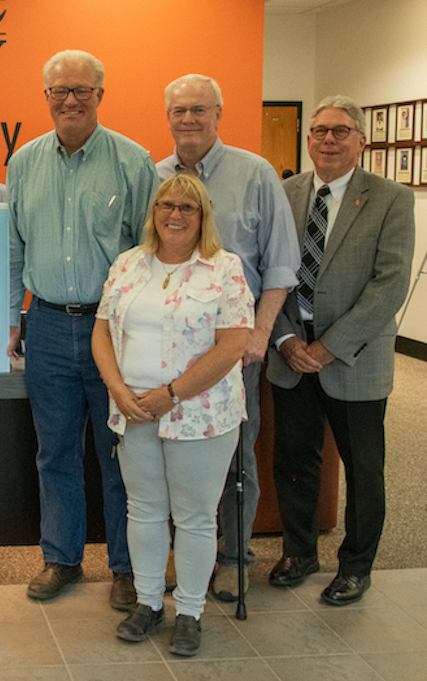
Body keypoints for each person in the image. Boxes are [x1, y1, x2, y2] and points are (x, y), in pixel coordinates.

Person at [7, 49, 159, 610]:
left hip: (114, 329)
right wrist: (12, 320)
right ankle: (62, 558)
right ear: (46, 96)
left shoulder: (133, 161)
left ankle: (126, 567)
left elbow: (151, 253)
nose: (70, 100)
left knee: (121, 453)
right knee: (55, 453)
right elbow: (13, 249)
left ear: (100, 95)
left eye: (81, 90)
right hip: (46, 325)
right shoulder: (23, 162)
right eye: (60, 91)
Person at [92, 173, 253, 657]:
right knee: (142, 510)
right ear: (154, 212)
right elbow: (102, 333)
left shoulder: (224, 269)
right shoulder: (128, 264)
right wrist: (118, 390)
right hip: (134, 409)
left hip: (200, 414)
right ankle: (147, 603)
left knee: (195, 517)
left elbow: (233, 346)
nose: (175, 215)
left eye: (187, 207)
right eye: (166, 205)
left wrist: (172, 394)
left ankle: (189, 612)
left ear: (203, 216)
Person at [267, 96, 415, 606]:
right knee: (294, 460)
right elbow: (268, 271)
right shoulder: (285, 193)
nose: (328, 140)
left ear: (361, 141)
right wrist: (284, 338)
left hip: (354, 357)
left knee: (363, 469)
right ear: (308, 139)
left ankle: (356, 566)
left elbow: (389, 285)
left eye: (341, 131)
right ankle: (300, 552)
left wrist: (330, 346)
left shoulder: (391, 198)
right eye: (320, 131)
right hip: (291, 354)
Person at [156, 74, 299, 601]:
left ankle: (234, 557)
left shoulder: (255, 173)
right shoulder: (156, 178)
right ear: (168, 117)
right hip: (172, 351)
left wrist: (260, 333)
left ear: (218, 113)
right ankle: (188, 557)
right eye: (179, 111)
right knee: (174, 458)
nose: (188, 119)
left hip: (235, 347)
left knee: (236, 457)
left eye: (199, 109)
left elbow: (281, 265)